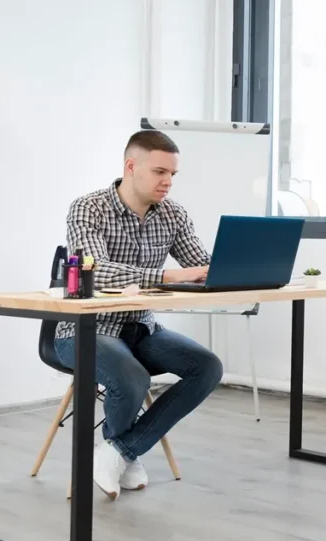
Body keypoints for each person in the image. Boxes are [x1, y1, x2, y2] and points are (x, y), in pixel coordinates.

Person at [54, 130, 223, 501]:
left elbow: (200, 264)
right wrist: (167, 275)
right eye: (160, 171)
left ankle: (119, 451)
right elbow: (95, 272)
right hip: (84, 330)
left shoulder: (173, 214)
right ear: (131, 167)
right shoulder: (88, 208)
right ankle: (123, 454)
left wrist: (232, 269)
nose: (168, 182)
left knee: (207, 367)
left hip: (141, 327)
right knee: (132, 377)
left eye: (173, 174)